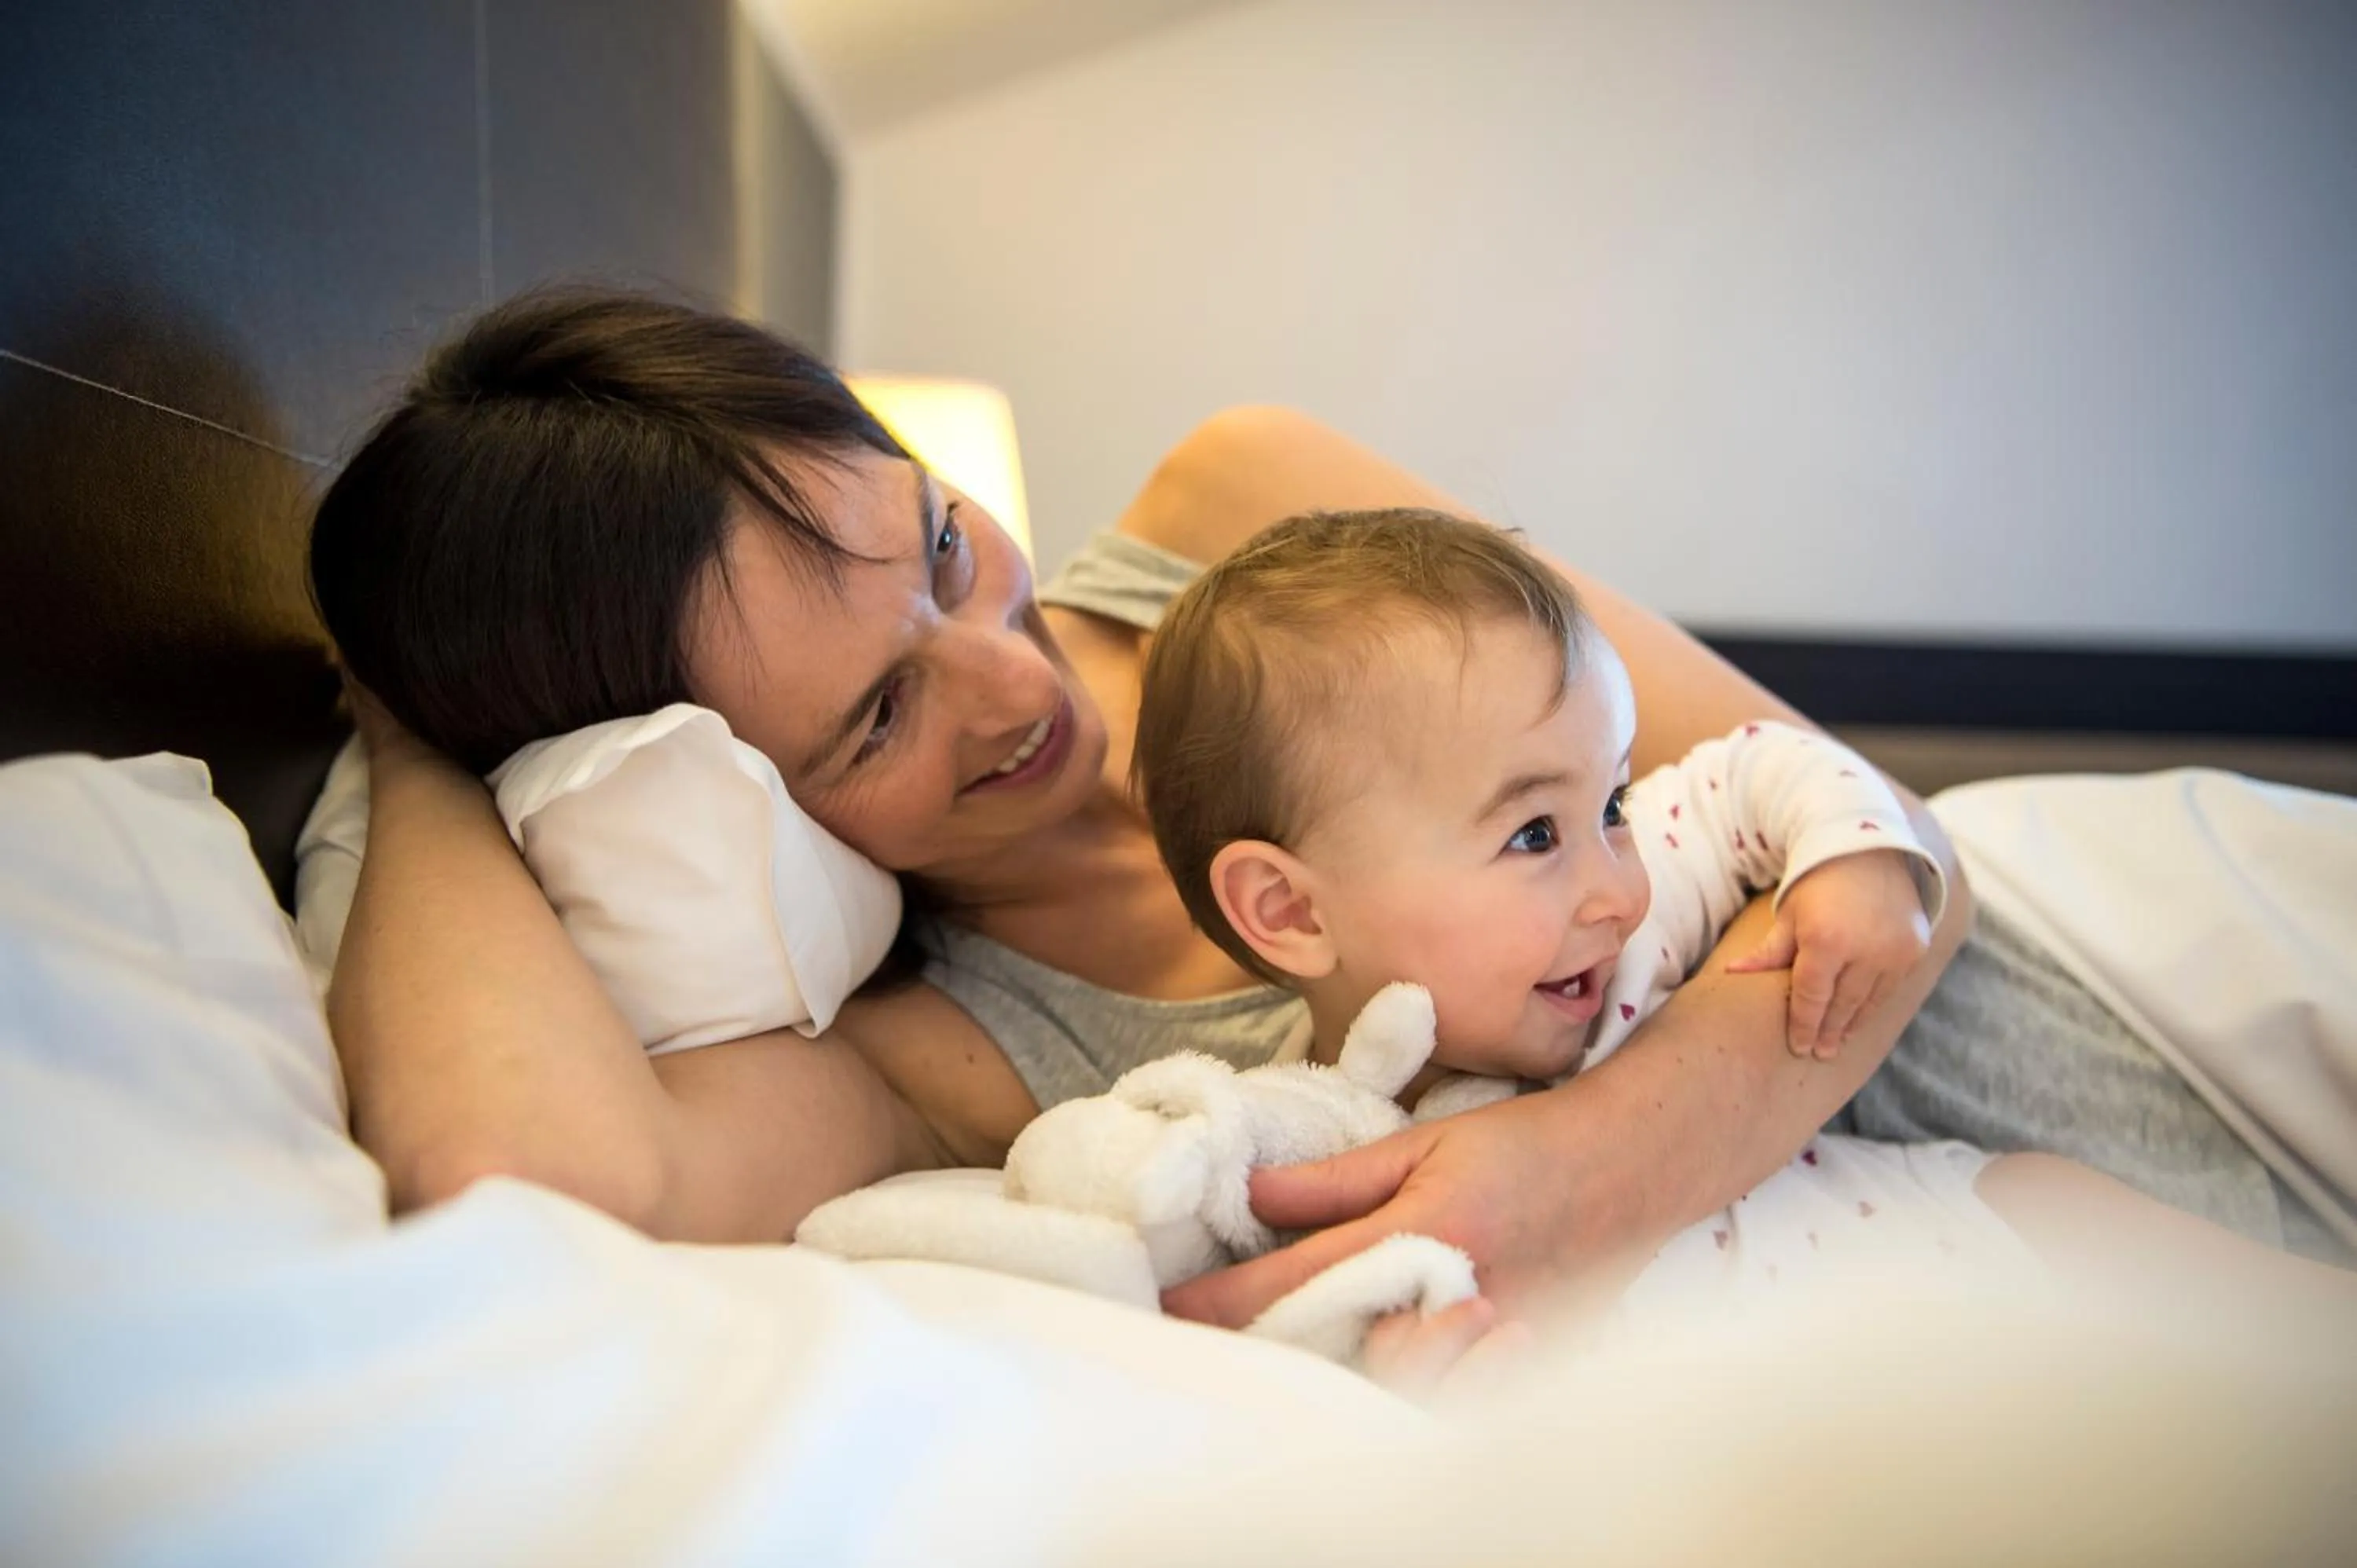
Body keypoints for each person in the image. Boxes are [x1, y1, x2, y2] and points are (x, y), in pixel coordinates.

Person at [309, 287, 2330, 1332]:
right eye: (873, 722)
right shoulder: (949, 1053)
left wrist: (1573, 1169)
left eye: (935, 540)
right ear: (718, 784)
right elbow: (534, 1173)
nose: (1014, 680)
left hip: (2126, 977)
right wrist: (410, 732)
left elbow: (1873, 837)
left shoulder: (1237, 510)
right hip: (1981, 1262)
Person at [1123, 509, 2355, 1376]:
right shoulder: (1309, 1146)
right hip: (1829, 1406)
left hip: (1948, 1226)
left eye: (1606, 803)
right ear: (1290, 913)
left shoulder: (1633, 913)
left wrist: (1853, 856)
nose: (1615, 882)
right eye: (1531, 837)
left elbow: (1754, 769)